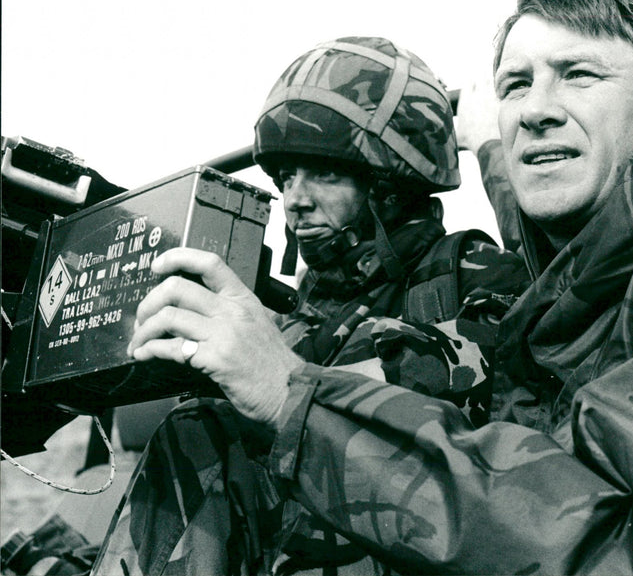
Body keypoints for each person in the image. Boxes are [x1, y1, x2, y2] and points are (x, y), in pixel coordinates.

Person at [92, 0, 633, 575]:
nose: (536, 112)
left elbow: (620, 542)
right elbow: (562, 232)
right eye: (516, 86)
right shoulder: (596, 261)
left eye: (578, 74)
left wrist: (292, 393)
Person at [76, 36, 528, 576]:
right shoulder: (299, 306)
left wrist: (494, 152)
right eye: (287, 176)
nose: (295, 198)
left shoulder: (473, 273)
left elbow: (564, 280)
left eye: (324, 173)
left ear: (389, 185)